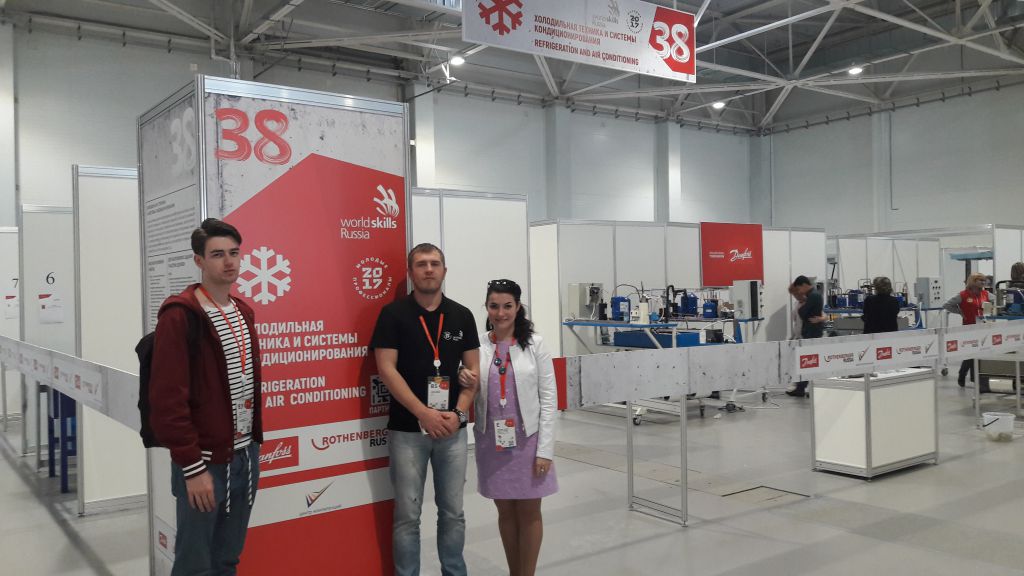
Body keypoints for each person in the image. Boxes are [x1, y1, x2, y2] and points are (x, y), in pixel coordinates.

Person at [149, 218, 262, 576]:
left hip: (245, 455)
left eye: (234, 253)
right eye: (217, 254)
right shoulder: (181, 315)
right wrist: (192, 467)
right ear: (199, 261)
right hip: (205, 462)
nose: (229, 262)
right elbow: (168, 402)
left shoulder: (243, 312)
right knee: (195, 565)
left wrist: (250, 450)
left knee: (227, 560)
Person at [370, 243, 481, 576]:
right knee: (408, 517)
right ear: (410, 272)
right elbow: (386, 369)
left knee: (453, 513)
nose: (429, 269)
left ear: (444, 271)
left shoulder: (462, 315)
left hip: (452, 431)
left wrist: (457, 414)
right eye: (421, 264)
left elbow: (473, 372)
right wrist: (424, 413)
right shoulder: (393, 315)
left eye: (435, 263)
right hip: (407, 430)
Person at [463, 279, 557, 576]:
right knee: (504, 511)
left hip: (528, 441)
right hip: (492, 442)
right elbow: (469, 380)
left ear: (518, 307)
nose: (500, 313)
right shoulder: (478, 345)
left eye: (507, 306)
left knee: (529, 512)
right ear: (487, 308)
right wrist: (462, 374)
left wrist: (545, 451)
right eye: (494, 306)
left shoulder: (535, 344)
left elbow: (549, 399)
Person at [944, 272, 991, 387]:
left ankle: (971, 376)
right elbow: (947, 305)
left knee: (978, 353)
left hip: (983, 327)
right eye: (980, 280)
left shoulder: (986, 294)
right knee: (972, 353)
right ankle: (965, 375)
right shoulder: (963, 295)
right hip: (969, 327)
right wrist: (960, 312)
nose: (983, 282)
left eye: (984, 280)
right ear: (973, 281)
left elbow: (995, 303)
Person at [787, 276, 826, 397]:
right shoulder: (800, 303)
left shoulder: (813, 297)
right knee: (805, 363)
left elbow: (808, 314)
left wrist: (821, 318)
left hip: (810, 334)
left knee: (809, 363)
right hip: (802, 334)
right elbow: (797, 320)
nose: (796, 295)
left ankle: (805, 388)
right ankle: (801, 387)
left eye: (797, 292)